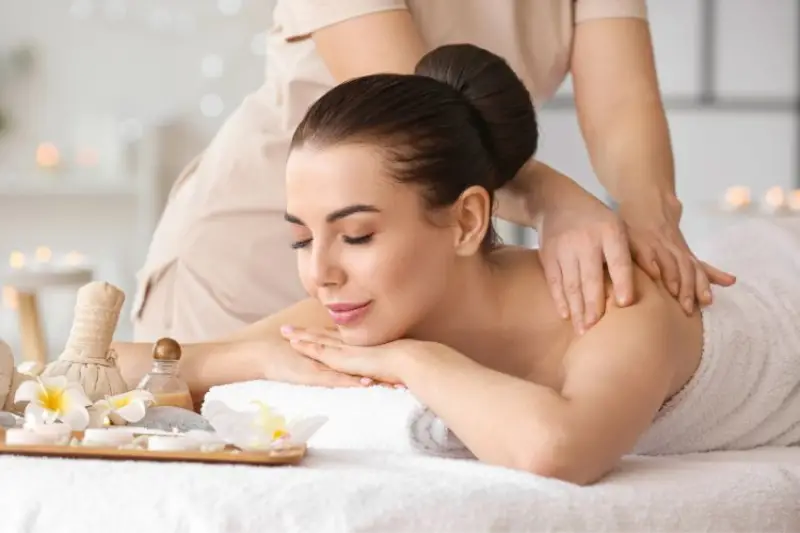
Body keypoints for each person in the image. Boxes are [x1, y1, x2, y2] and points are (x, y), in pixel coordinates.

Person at [116, 44, 799, 485]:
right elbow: (115, 366)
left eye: (355, 234)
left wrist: (415, 362)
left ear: (469, 220)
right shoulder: (362, 307)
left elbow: (559, 450)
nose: (319, 271)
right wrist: (250, 358)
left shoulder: (617, 304)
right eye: (301, 238)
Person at [133, 0, 735, 354]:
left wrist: (651, 221)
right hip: (258, 252)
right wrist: (555, 200)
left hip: (414, 273)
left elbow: (621, 103)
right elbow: (415, 114)